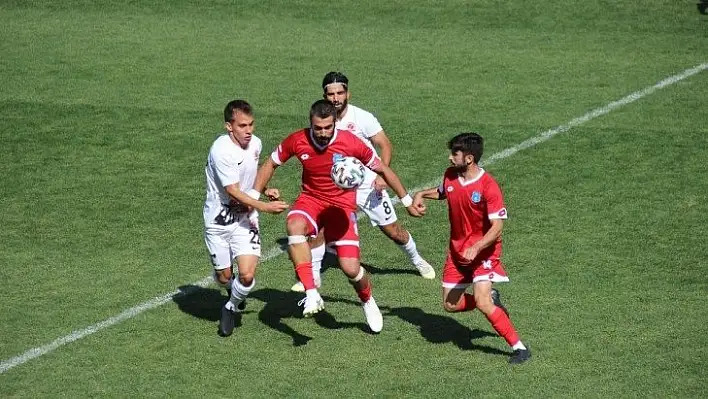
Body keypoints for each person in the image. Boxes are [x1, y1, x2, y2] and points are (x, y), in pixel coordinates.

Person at [251, 99, 423, 333]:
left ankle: (367, 300)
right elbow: (270, 163)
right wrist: (255, 196)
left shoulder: (350, 142)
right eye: (318, 128)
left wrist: (406, 200)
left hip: (341, 208)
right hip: (311, 200)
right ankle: (312, 292)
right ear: (310, 124)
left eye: (327, 127)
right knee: (293, 225)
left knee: (351, 268)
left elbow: (382, 168)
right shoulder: (297, 140)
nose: (322, 133)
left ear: (335, 123)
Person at [290, 71, 434, 293]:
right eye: (331, 94)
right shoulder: (322, 122)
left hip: (367, 186)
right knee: (317, 230)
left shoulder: (362, 118)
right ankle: (312, 277)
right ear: (324, 95)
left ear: (348, 93)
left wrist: (380, 176)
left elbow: (385, 145)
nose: (336, 98)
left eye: (340, 93)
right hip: (334, 190)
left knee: (393, 231)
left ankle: (416, 259)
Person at [412, 132, 531, 364]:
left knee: (483, 302)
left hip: (484, 253)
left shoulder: (488, 186)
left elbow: (497, 227)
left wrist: (477, 247)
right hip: (457, 252)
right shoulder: (451, 175)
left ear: (469, 158)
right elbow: (443, 192)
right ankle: (489, 299)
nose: (449, 158)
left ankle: (520, 348)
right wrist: (421, 194)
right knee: (450, 305)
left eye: (454, 153)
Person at [203, 99, 289, 337]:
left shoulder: (256, 144)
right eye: (242, 126)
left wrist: (265, 188)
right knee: (224, 277)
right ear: (229, 127)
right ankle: (229, 288)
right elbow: (233, 190)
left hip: (244, 219)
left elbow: (250, 174)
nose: (249, 130)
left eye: (251, 124)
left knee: (248, 275)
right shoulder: (221, 151)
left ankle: (230, 307)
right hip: (218, 220)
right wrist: (264, 206)